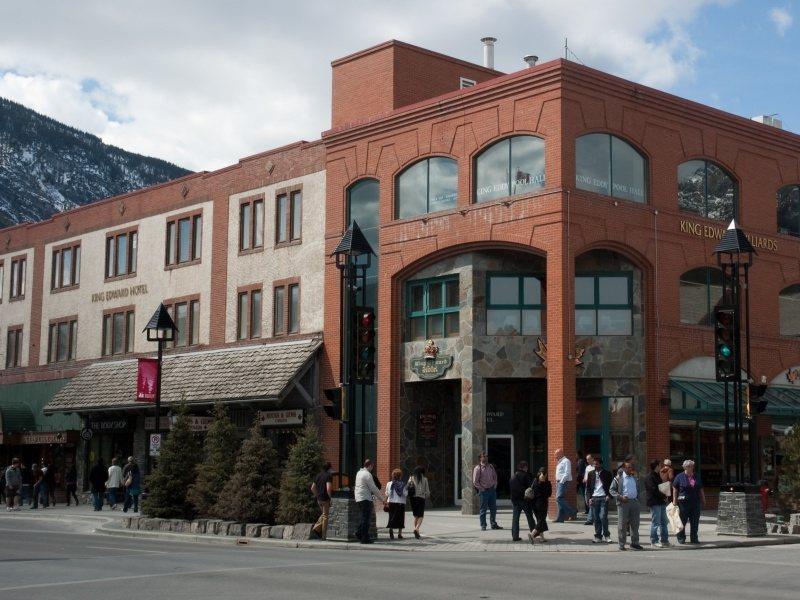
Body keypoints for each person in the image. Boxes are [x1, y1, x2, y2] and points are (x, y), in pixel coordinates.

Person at [610, 461, 644, 550]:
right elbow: (612, 490)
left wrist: (637, 499)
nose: (630, 469)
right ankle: (621, 544)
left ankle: (635, 543)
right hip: (623, 503)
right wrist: (620, 497)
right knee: (622, 524)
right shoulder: (618, 478)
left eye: (631, 467)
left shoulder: (634, 478)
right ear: (624, 468)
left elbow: (638, 489)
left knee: (635, 524)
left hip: (634, 502)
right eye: (628, 467)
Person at [672, 459, 705, 544]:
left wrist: (703, 499)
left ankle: (694, 538)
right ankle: (681, 537)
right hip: (683, 503)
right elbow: (675, 488)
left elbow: (700, 488)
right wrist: (674, 500)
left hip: (695, 502)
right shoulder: (679, 476)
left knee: (695, 521)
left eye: (692, 466)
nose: (691, 468)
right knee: (682, 521)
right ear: (685, 467)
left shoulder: (696, 476)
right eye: (689, 466)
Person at [354, 459, 384, 544]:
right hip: (365, 498)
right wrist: (382, 499)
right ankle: (364, 538)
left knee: (363, 517)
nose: (372, 468)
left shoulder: (359, 473)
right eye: (372, 466)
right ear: (370, 465)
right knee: (366, 519)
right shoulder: (367, 474)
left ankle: (359, 533)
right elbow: (374, 488)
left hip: (359, 497)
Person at [585, 456, 612, 543]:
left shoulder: (607, 473)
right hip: (594, 498)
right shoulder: (591, 474)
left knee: (603, 516)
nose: (595, 465)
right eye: (594, 464)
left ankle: (607, 535)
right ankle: (598, 536)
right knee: (596, 518)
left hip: (604, 497)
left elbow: (611, 487)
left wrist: (609, 495)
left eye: (596, 464)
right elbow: (588, 487)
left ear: (601, 464)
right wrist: (589, 498)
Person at [473, 451, 502, 531]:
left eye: (486, 456)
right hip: (484, 491)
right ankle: (483, 525)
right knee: (483, 509)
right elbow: (475, 482)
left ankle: (493, 524)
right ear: (480, 458)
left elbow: (495, 477)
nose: (486, 457)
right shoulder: (478, 468)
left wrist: (495, 485)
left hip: (492, 490)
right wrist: (482, 489)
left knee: (493, 508)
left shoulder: (491, 466)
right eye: (484, 456)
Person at [645, 459, 670, 548]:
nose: (661, 467)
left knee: (664, 522)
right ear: (656, 466)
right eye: (660, 465)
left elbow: (662, 487)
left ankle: (664, 540)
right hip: (654, 502)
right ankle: (654, 540)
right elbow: (654, 490)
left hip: (661, 502)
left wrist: (666, 495)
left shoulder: (658, 476)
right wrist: (664, 496)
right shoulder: (649, 477)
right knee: (656, 522)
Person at [509, 461, 535, 542]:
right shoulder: (526, 475)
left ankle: (515, 536)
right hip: (524, 500)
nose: (527, 469)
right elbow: (530, 487)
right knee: (530, 517)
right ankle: (534, 533)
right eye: (526, 467)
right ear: (524, 467)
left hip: (515, 500)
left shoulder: (513, 476)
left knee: (515, 519)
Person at [310, 462, 333, 539]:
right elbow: (328, 488)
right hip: (325, 498)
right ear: (329, 468)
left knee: (323, 515)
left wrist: (317, 495)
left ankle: (315, 530)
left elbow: (312, 488)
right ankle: (323, 536)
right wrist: (330, 498)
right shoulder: (328, 476)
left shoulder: (318, 475)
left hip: (319, 499)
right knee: (325, 516)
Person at [554, 448, 577, 522]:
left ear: (561, 453)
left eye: (556, 454)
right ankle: (560, 518)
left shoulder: (566, 461)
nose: (555, 456)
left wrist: (561, 481)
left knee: (559, 498)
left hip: (563, 482)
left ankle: (572, 512)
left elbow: (567, 473)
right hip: (559, 482)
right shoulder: (559, 462)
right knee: (559, 499)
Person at [407, 466, 430, 539]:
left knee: (416, 516)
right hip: (421, 498)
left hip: (412, 499)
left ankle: (417, 532)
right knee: (420, 516)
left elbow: (407, 487)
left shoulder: (411, 478)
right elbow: (427, 491)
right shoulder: (425, 479)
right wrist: (426, 496)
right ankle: (416, 529)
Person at [530, 467, 552, 542]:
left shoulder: (534, 481)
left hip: (534, 504)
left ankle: (542, 538)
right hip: (542, 504)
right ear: (546, 474)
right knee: (541, 520)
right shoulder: (547, 483)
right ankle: (532, 534)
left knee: (539, 520)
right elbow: (549, 494)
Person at [385, 468, 408, 540]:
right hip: (400, 503)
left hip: (391, 502)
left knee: (391, 517)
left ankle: (391, 529)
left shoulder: (389, 484)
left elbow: (387, 493)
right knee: (400, 518)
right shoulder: (403, 484)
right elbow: (405, 494)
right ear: (400, 476)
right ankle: (399, 534)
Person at [582, 453, 595, 524]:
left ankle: (590, 519)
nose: (587, 460)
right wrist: (584, 479)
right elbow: (585, 476)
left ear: (592, 459)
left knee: (591, 502)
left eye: (589, 459)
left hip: (593, 487)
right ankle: (594, 517)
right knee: (588, 502)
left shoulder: (595, 467)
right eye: (587, 459)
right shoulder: (587, 467)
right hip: (587, 486)